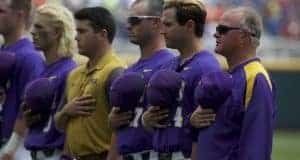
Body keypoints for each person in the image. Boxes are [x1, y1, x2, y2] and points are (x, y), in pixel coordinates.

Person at [142, 0, 221, 159]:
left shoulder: (206, 67)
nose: (162, 31)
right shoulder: (168, 65)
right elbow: (157, 120)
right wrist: (146, 119)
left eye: (168, 24)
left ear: (189, 26)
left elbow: (208, 129)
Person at [195, 7, 277, 160]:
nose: (215, 33)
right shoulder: (232, 74)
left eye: (222, 29)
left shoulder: (256, 78)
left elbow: (256, 148)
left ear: (243, 37)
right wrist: (192, 121)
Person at [54, 7, 126, 160]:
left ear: (102, 34)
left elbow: (121, 128)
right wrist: (66, 111)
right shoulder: (74, 74)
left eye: (82, 31)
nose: (76, 37)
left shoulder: (116, 72)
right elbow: (59, 124)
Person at [107, 0, 174, 159]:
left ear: (156, 22)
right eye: (128, 20)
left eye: (135, 20)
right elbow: (118, 128)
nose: (128, 26)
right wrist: (112, 121)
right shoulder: (129, 70)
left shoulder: (170, 65)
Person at [21, 3, 78, 160]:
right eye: (34, 26)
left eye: (39, 27)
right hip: (33, 152)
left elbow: (73, 124)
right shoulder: (40, 69)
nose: (32, 31)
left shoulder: (70, 71)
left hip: (55, 154)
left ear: (57, 32)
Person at [0, 0, 44, 159]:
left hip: (13, 148)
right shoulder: (4, 50)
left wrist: (11, 148)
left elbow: (29, 109)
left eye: (1, 11)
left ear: (19, 15)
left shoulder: (30, 57)